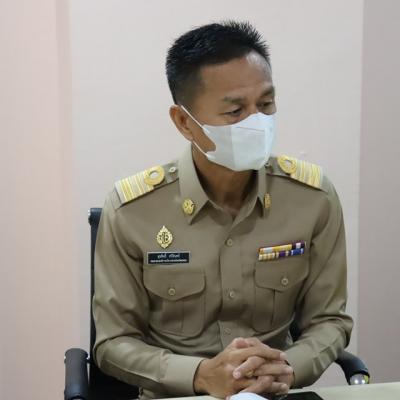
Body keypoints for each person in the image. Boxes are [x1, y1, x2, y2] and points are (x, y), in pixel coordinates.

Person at [93, 21, 353, 399]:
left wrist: (287, 367)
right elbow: (113, 343)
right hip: (178, 395)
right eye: (235, 111)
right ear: (185, 122)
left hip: (274, 391)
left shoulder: (313, 198)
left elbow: (329, 320)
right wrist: (201, 376)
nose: (257, 122)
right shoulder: (132, 211)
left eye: (266, 104)